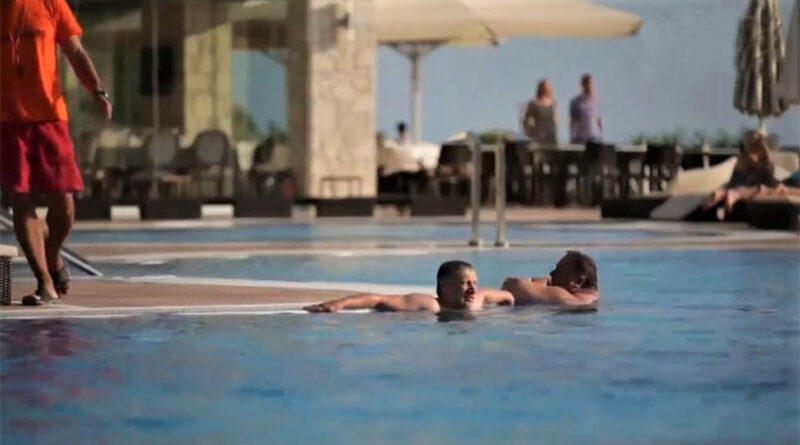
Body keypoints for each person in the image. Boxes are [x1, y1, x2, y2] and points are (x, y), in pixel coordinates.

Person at [1, 0, 112, 306]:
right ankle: (44, 282)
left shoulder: (50, 4)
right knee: (20, 199)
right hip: (7, 122)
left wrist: (97, 90)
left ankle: (52, 255)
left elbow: (75, 51)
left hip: (50, 117)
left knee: (63, 201)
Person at [303, 260, 514, 313]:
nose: (472, 289)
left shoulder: (479, 299)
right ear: (444, 285)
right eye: (465, 283)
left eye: (474, 283)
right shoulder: (430, 306)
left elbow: (508, 296)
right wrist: (338, 304)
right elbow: (378, 300)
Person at [702, 130, 788, 218]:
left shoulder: (761, 156)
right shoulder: (748, 156)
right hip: (747, 179)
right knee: (759, 187)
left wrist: (763, 145)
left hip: (753, 181)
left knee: (767, 185)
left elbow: (768, 163)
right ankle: (728, 196)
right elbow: (753, 162)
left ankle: (725, 196)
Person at [501, 251, 598, 308]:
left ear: (578, 282)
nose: (551, 274)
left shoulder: (563, 297)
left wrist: (539, 285)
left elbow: (513, 285)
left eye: (559, 270)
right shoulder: (592, 299)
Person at [521, 78, 558, 145]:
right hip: (539, 137)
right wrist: (531, 131)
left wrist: (555, 128)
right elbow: (526, 121)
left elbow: (555, 119)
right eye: (544, 87)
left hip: (552, 136)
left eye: (548, 87)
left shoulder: (553, 103)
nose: (546, 89)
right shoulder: (534, 103)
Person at [569, 73, 603, 144]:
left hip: (595, 136)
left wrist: (601, 135)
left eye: (591, 84)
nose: (590, 86)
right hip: (581, 138)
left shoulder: (596, 101)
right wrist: (572, 138)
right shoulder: (576, 102)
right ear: (583, 85)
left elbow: (598, 119)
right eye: (587, 84)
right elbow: (573, 122)